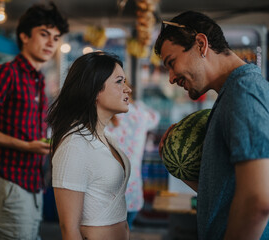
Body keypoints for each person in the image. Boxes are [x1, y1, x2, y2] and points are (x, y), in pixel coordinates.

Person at [155, 11, 269, 239]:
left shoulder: (243, 91)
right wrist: (176, 165)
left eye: (172, 62)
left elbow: (258, 201)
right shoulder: (233, 93)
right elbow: (227, 193)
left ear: (200, 44)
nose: (170, 78)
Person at [0, 3, 69, 239]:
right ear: (24, 36)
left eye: (56, 37)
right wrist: (25, 145)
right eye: (44, 34)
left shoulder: (38, 81)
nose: (51, 43)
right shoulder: (6, 73)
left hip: (31, 183)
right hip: (6, 182)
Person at [47, 52, 132, 240]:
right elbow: (69, 229)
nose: (128, 89)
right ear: (94, 90)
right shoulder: (74, 146)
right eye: (119, 82)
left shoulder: (107, 138)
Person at [106, 88, 160, 230]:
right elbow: (156, 117)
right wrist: (138, 104)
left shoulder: (102, 116)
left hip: (106, 197)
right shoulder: (141, 113)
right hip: (133, 193)